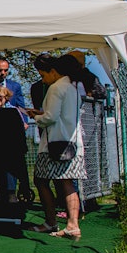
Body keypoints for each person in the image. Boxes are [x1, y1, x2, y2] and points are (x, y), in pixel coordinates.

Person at [27, 54, 86, 239]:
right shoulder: (74, 87)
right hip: (73, 142)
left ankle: (51, 221)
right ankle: (72, 225)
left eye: (43, 75)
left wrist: (36, 116)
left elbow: (50, 118)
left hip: (54, 143)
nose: (43, 79)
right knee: (67, 182)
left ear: (53, 72)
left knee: (41, 180)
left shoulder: (56, 88)